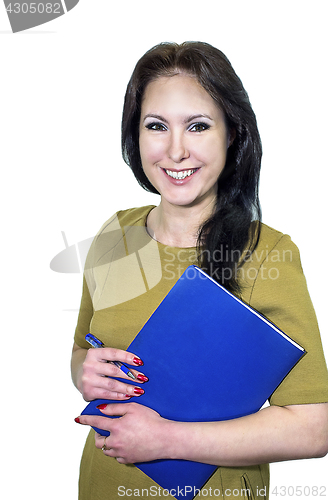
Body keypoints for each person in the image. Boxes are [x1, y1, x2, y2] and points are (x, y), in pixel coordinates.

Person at [71, 42, 328, 499]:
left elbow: (314, 427)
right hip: (103, 484)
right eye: (156, 126)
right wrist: (84, 373)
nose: (175, 150)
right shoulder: (117, 234)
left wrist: (167, 439)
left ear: (232, 133)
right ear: (135, 135)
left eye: (198, 126)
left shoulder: (267, 254)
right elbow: (81, 351)